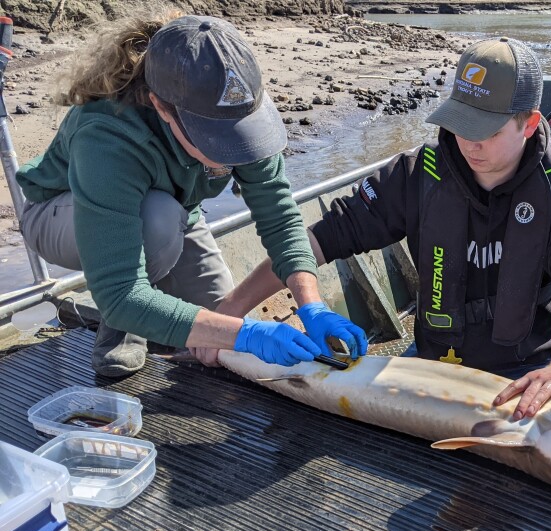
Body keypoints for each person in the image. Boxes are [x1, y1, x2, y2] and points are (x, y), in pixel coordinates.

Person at [221, 37, 551, 417]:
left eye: (487, 131)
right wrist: (229, 315)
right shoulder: (415, 176)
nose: (469, 143)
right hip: (430, 365)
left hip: (525, 373)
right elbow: (317, 240)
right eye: (461, 124)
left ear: (528, 124)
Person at [15, 12, 367, 377]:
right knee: (156, 232)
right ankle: (120, 327)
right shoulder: (107, 136)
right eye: (216, 138)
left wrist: (311, 304)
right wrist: (248, 335)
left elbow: (280, 218)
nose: (233, 151)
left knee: (216, 329)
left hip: (176, 214)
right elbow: (121, 293)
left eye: (241, 134)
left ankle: (152, 299)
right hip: (62, 216)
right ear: (161, 107)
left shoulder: (239, 106)